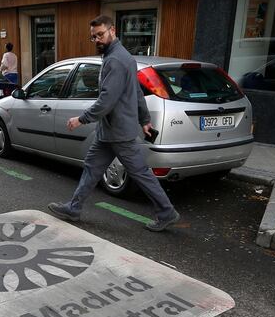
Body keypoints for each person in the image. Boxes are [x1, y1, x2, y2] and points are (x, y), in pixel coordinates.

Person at [47, 15, 180, 232]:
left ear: (113, 30)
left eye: (100, 34)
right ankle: (74, 207)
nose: (97, 39)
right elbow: (136, 92)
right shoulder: (121, 56)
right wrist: (144, 120)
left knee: (140, 173)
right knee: (92, 168)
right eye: (93, 37)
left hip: (118, 132)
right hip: (109, 132)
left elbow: (107, 100)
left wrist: (81, 119)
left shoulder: (115, 60)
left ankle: (166, 212)